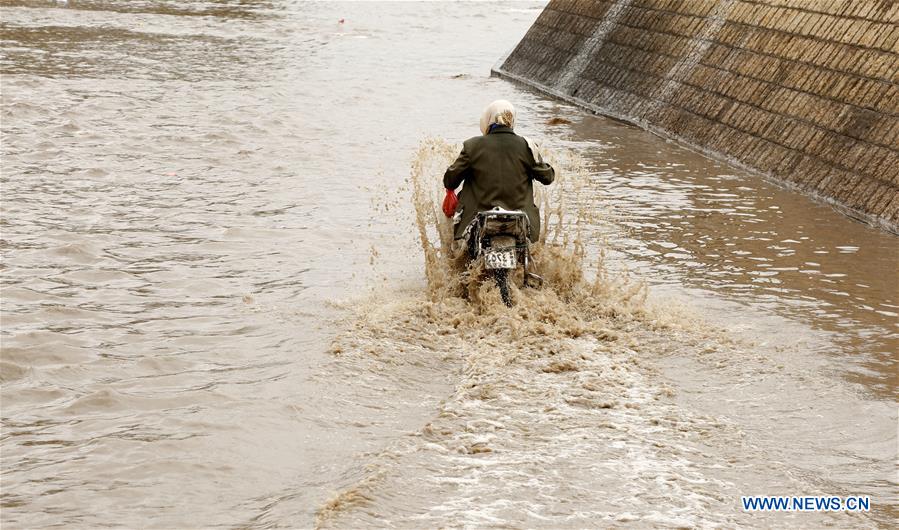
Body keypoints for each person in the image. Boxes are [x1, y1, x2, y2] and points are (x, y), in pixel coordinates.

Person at [443, 100, 554, 257]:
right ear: (512, 121)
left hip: (478, 217)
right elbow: (548, 177)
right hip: (520, 218)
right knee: (528, 262)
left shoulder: (472, 146)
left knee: (466, 262)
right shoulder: (527, 146)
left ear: (488, 120)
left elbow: (450, 181)